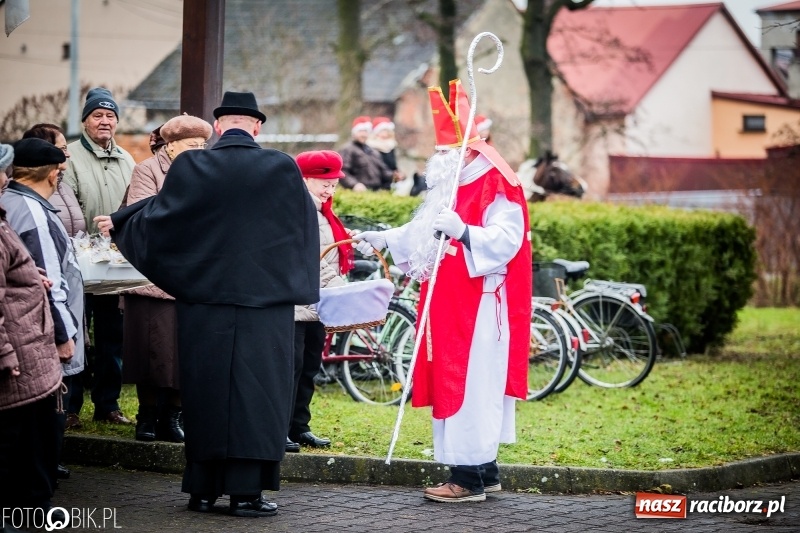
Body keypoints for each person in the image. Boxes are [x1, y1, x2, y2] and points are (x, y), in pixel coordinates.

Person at [103, 91, 320, 518]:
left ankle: (201, 491)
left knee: (205, 395)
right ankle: (246, 495)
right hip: (265, 306)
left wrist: (123, 221)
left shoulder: (191, 166)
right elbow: (303, 232)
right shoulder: (281, 167)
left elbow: (163, 216)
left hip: (204, 304)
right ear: (256, 127)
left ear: (219, 126)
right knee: (259, 399)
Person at [353, 79, 532, 502]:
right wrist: (386, 239)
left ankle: (467, 479)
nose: (439, 158)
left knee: (472, 385)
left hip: (479, 306)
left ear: (467, 150)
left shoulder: (494, 180)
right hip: (450, 301)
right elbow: (425, 233)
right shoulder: (452, 182)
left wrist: (466, 232)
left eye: (446, 152)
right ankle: (484, 471)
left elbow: (509, 239)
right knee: (464, 383)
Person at [118, 114, 211, 443]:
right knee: (152, 350)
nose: (198, 151)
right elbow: (142, 216)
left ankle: (173, 417)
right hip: (152, 277)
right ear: (170, 146)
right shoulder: (147, 170)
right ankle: (147, 416)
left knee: (184, 351)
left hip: (193, 278)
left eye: (202, 145)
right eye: (191, 145)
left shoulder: (208, 172)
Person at [0, 142, 71, 527]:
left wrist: (29, 278)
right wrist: (64, 333)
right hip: (24, 352)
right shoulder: (28, 210)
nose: (5, 177)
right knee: (33, 440)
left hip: (22, 347)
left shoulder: (7, 210)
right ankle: (28, 513)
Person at [62, 87, 135, 425]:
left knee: (111, 337)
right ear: (86, 121)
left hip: (116, 263)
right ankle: (72, 407)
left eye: (110, 116)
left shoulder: (127, 159)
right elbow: (68, 203)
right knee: (76, 334)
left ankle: (108, 405)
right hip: (80, 261)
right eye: (98, 115)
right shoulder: (71, 156)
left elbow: (133, 204)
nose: (104, 121)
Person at [21, 124, 86, 435]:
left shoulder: (23, 202)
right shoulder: (33, 211)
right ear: (50, 173)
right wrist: (63, 334)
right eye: (62, 150)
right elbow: (50, 279)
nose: (67, 155)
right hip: (42, 328)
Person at [287, 150, 351, 453]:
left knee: (310, 368)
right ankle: (281, 428)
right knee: (291, 369)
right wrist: (338, 286)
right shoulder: (297, 209)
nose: (330, 190)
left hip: (318, 305)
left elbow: (329, 247)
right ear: (304, 179)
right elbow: (310, 256)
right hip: (298, 305)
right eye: (323, 182)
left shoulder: (324, 211)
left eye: (333, 184)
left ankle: (299, 427)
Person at [339, 116, 394, 192]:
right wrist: (354, 184)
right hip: (357, 193)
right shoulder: (348, 149)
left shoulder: (373, 151)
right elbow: (342, 171)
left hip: (375, 191)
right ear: (354, 133)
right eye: (361, 131)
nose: (363, 134)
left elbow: (383, 171)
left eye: (366, 131)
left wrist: (394, 176)